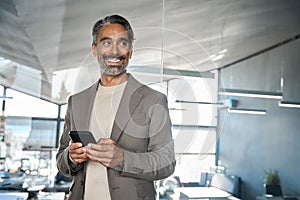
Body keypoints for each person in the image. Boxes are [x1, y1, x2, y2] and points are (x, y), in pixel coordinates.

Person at [56, 14, 175, 200]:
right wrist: (71, 157)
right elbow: (61, 163)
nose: (115, 51)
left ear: (130, 52)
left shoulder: (154, 100)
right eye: (106, 43)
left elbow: (167, 163)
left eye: (123, 43)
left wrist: (123, 159)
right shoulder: (76, 102)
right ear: (94, 50)